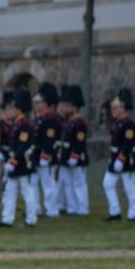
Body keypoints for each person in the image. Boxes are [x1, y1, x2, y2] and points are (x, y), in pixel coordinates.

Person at [0, 89, 39, 228]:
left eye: (12, 107)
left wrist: (13, 161)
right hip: (15, 162)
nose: (10, 110)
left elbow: (22, 146)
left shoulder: (24, 124)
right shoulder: (18, 123)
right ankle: (7, 218)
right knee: (10, 190)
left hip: (22, 163)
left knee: (27, 191)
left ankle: (31, 219)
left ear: (19, 109)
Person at [102, 88, 135, 222]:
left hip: (126, 159)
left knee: (129, 186)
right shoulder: (117, 123)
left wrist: (121, 158)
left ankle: (134, 213)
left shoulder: (129, 124)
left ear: (123, 108)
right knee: (107, 183)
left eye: (116, 108)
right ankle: (115, 211)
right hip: (115, 158)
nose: (113, 110)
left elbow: (128, 143)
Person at [58, 85, 90, 217]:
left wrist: (74, 155)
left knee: (79, 183)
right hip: (66, 156)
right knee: (68, 183)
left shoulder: (79, 122)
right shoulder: (69, 122)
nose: (65, 108)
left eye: (68, 105)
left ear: (74, 107)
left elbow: (79, 141)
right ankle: (72, 207)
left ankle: (82, 207)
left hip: (76, 157)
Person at [32, 83, 63, 218]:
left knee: (48, 183)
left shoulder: (51, 120)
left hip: (47, 156)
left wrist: (45, 155)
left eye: (40, 102)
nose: (36, 105)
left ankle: (52, 209)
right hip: (36, 155)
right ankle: (35, 208)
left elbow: (49, 140)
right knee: (33, 182)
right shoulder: (40, 119)